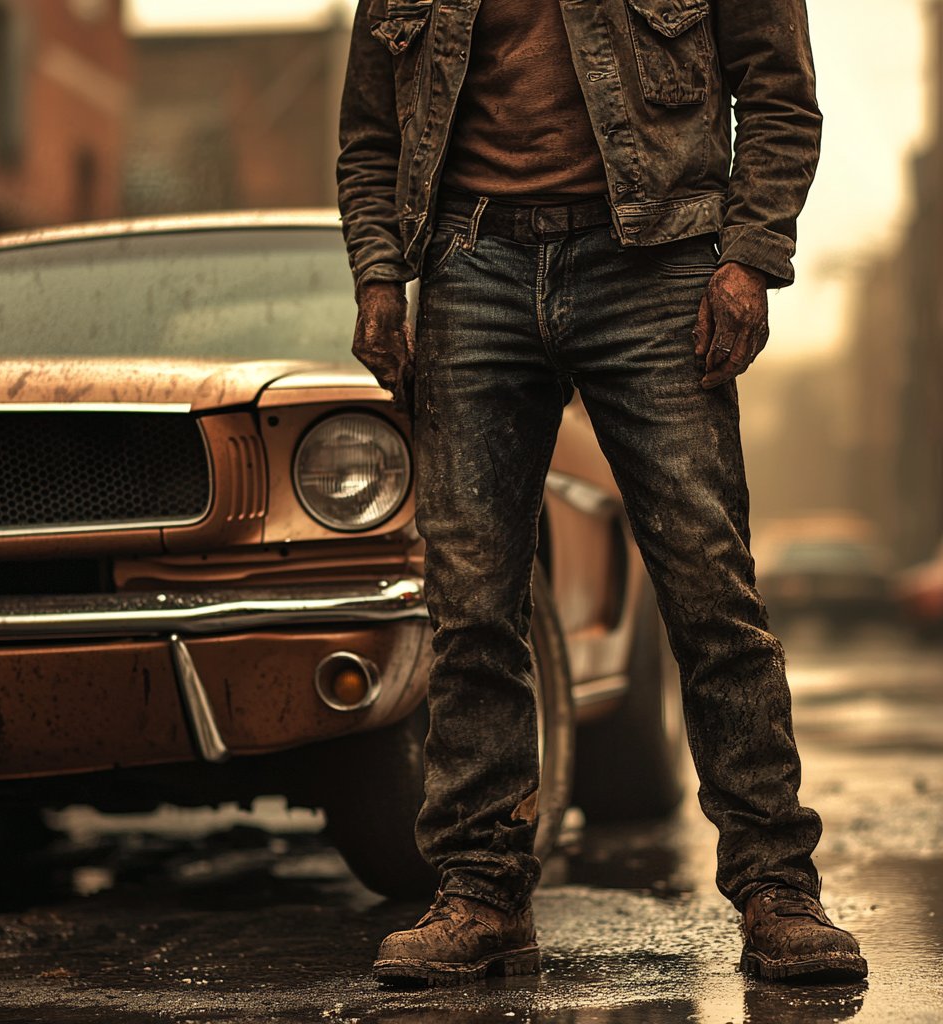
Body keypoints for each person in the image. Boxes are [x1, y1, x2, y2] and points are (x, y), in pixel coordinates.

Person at [337, 0, 868, 986]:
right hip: (469, 262)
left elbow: (781, 95)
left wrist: (748, 259)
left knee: (709, 588)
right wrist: (378, 279)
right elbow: (370, 131)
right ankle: (480, 894)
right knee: (471, 603)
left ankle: (778, 889)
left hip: (656, 260)